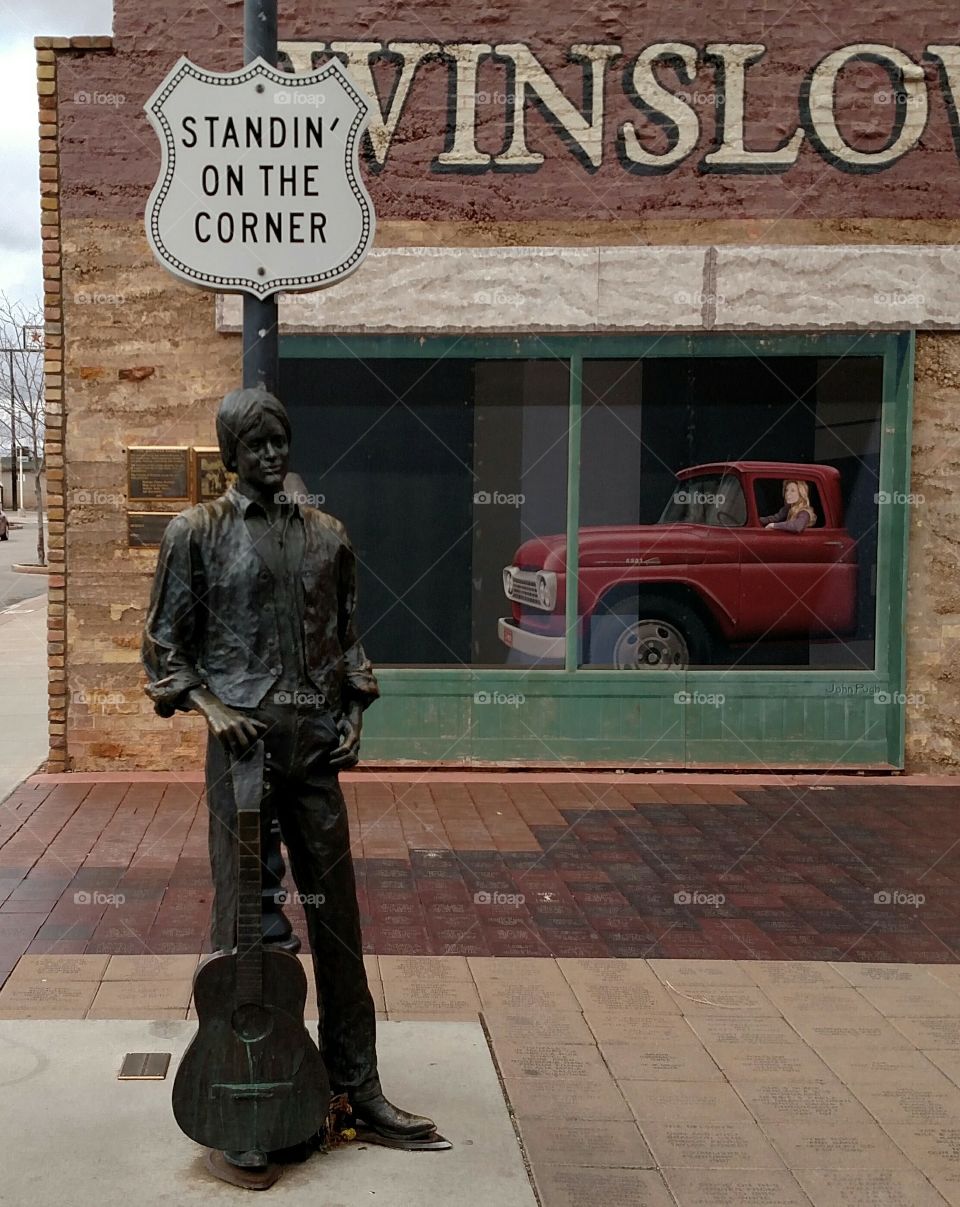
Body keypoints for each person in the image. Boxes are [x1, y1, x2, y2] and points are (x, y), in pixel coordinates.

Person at [142, 385, 436, 1165]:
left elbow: (345, 641)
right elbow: (164, 653)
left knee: (339, 921)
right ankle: (249, 1096)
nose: (272, 455)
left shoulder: (327, 536)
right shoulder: (194, 534)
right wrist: (210, 706)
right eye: (256, 445)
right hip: (240, 754)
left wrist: (354, 715)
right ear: (231, 453)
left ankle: (357, 1085)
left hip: (313, 752)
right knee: (246, 923)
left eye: (281, 441)